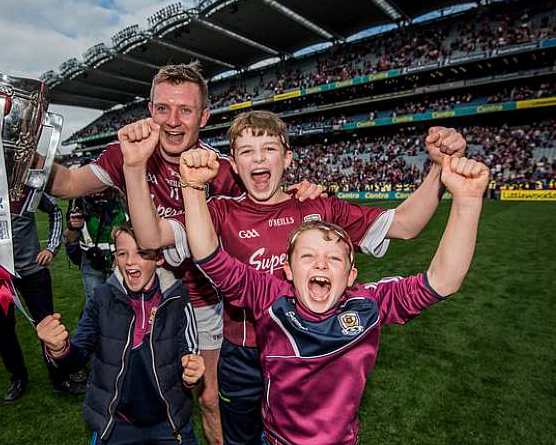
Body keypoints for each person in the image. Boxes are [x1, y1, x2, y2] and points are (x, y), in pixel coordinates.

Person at [120, 110, 466, 444]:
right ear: (235, 166)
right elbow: (150, 238)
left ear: (287, 158)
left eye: (269, 149)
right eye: (246, 152)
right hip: (243, 354)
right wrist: (135, 167)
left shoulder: (318, 207)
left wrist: (438, 168)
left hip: (308, 355)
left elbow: (405, 224)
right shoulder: (220, 212)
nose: (258, 159)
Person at [46, 63, 323, 444]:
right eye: (163, 109)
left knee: (209, 398)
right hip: (145, 286)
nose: (173, 121)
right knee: (129, 380)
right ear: (150, 109)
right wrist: (25, 158)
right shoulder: (129, 153)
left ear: (204, 116)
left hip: (203, 296)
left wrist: (304, 191)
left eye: (186, 111)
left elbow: (268, 197)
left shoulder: (222, 171)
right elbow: (70, 183)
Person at [181, 150, 489, 444]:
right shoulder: (269, 298)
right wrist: (193, 187)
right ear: (287, 269)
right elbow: (209, 257)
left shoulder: (368, 305)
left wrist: (468, 201)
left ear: (351, 275)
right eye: (308, 256)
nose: (320, 264)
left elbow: (442, 281)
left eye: (334, 259)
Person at [37, 223, 205, 444]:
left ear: (159, 258)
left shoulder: (178, 298)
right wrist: (59, 349)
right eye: (122, 253)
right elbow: (76, 358)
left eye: (141, 253)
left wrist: (193, 370)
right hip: (116, 425)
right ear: (115, 257)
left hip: (170, 425)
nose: (130, 261)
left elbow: (189, 354)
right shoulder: (101, 299)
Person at [0, 193, 82, 402]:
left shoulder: (24, 186)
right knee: (4, 328)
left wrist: (51, 248)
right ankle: (18, 378)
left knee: (48, 324)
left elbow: (55, 211)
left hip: (32, 271)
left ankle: (61, 378)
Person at [64, 187, 128, 300]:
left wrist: (123, 195)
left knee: (123, 299)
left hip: (121, 255)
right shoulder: (79, 202)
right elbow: (69, 238)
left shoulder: (121, 199)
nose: (98, 194)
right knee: (96, 301)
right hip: (91, 257)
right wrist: (72, 226)